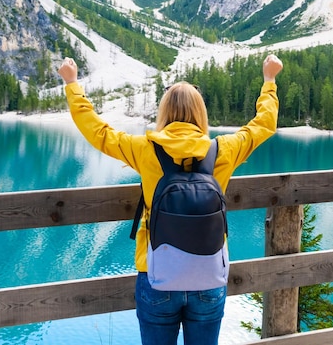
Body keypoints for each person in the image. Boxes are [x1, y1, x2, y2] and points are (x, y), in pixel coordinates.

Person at [57, 54, 283, 345]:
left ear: (164, 112)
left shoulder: (145, 148)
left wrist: (72, 84)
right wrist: (270, 81)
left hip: (156, 274)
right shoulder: (223, 149)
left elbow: (98, 132)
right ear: (201, 114)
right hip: (209, 275)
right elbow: (263, 125)